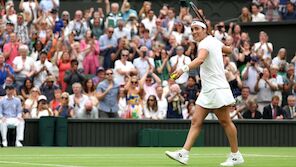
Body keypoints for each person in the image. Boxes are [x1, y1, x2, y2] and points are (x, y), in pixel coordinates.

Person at [165, 20, 244, 166]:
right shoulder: (211, 41)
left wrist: (183, 69)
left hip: (216, 88)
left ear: (204, 30)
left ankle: (235, 155)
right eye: (192, 29)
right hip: (208, 89)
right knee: (196, 121)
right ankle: (184, 153)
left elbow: (200, 59)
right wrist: (219, 42)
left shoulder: (205, 43)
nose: (194, 32)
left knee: (225, 121)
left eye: (197, 29)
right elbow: (229, 50)